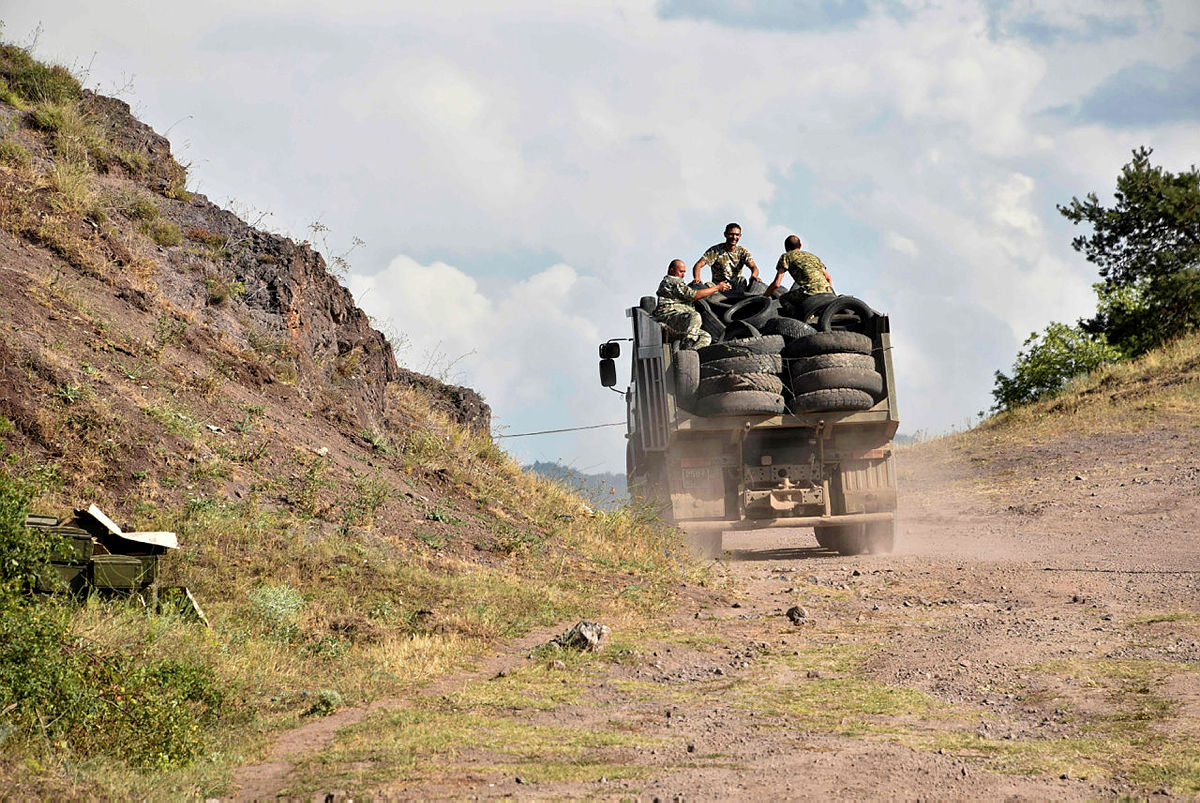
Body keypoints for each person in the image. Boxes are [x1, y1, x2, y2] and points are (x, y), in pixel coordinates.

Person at [655, 259, 731, 349]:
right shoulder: (672, 280)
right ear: (672, 270)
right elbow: (693, 295)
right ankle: (688, 344)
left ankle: (689, 353)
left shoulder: (678, 283)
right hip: (669, 317)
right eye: (681, 272)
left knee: (705, 337)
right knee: (695, 316)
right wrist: (717, 288)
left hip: (680, 320)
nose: (683, 275)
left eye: (684, 272)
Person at [765, 234, 834, 311]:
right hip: (828, 292)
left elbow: (777, 284)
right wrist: (829, 294)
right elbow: (828, 278)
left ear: (786, 248)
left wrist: (764, 297)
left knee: (784, 298)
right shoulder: (813, 257)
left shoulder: (786, 256)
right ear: (800, 245)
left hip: (810, 292)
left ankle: (799, 317)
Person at [693, 222, 758, 288]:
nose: (734, 237)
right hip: (718, 286)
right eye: (731, 234)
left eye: (737, 235)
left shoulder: (742, 252)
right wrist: (697, 278)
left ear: (740, 236)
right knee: (706, 286)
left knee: (742, 280)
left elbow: (753, 266)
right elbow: (698, 264)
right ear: (725, 234)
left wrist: (754, 276)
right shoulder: (715, 251)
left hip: (736, 286)